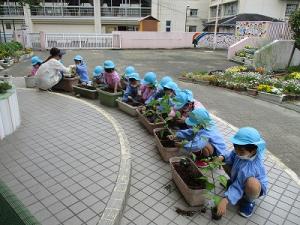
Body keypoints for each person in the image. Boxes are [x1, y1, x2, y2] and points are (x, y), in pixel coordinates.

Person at [216, 127, 268, 218]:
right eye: (236, 148)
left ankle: (248, 201)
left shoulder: (252, 166)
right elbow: (231, 155)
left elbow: (239, 184)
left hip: (254, 187)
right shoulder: (240, 151)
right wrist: (222, 157)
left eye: (241, 151)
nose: (237, 152)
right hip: (240, 177)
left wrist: (226, 199)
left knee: (251, 183)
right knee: (224, 161)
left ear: (254, 150)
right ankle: (233, 184)